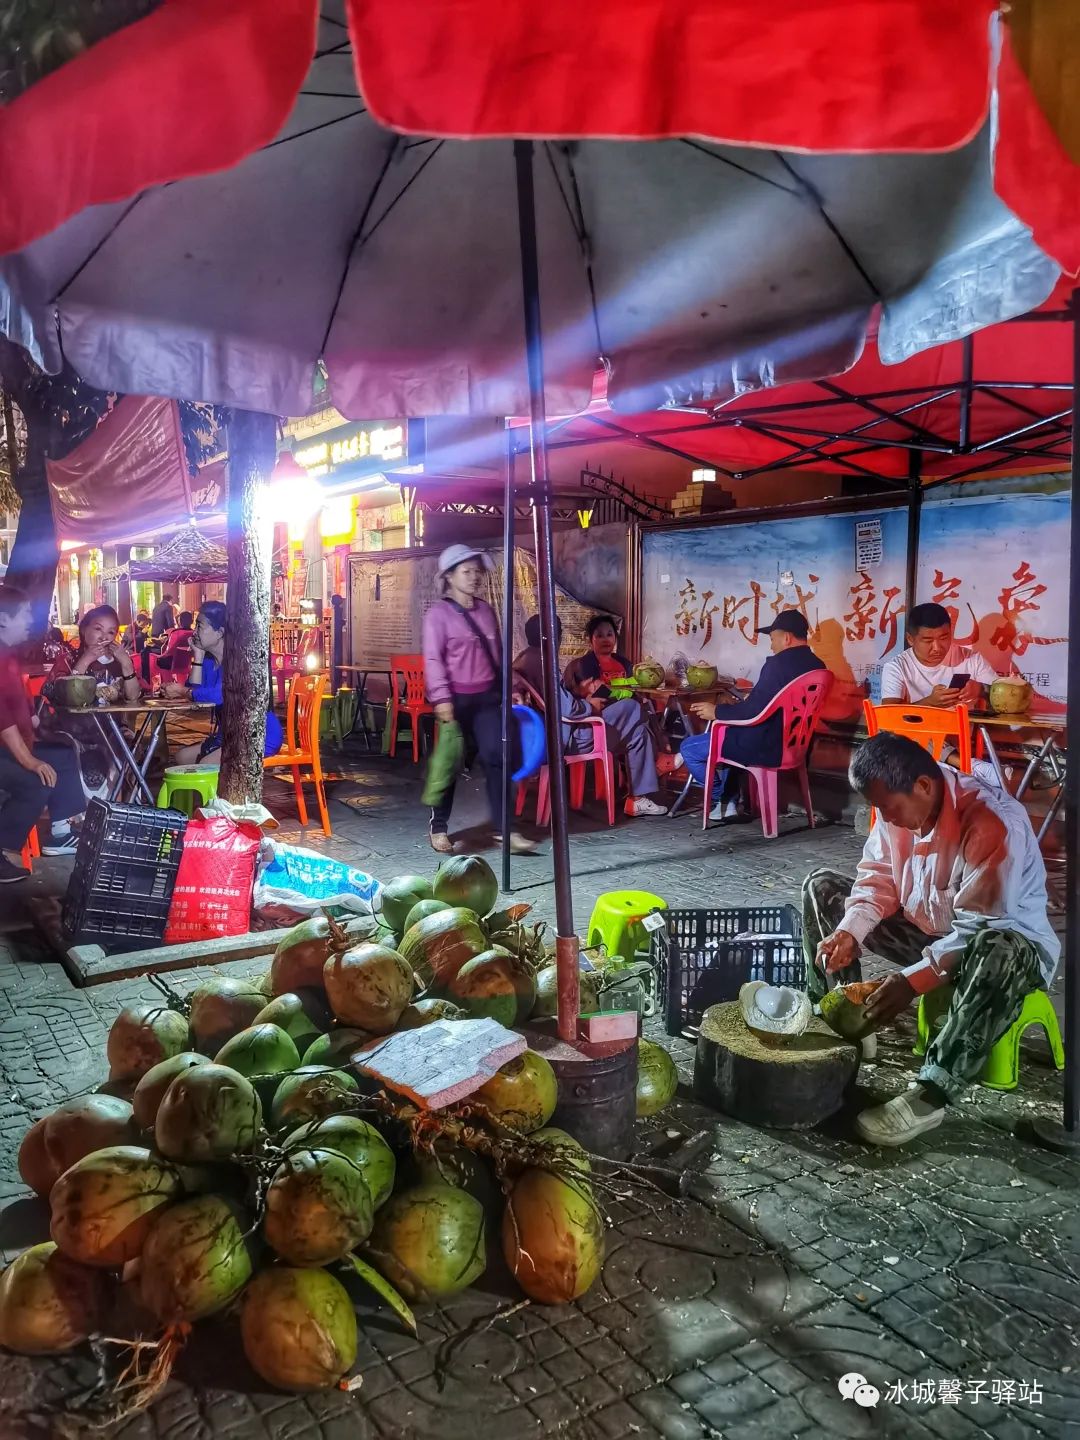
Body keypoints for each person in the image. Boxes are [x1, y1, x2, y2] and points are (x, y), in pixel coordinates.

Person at [803, 732, 1058, 1148]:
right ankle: (848, 1017)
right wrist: (850, 931)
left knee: (999, 947)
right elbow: (878, 877)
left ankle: (932, 1094)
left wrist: (911, 982)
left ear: (923, 786)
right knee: (823, 888)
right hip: (927, 932)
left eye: (888, 808)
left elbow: (978, 929)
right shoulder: (897, 810)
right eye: (877, 810)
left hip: (996, 952)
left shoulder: (992, 821)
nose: (884, 819)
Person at [422, 545, 533, 855]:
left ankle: (505, 828)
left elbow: (497, 655)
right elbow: (433, 659)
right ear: (449, 576)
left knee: (499, 756)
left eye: (477, 571)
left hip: (486, 698)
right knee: (450, 762)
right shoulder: (438, 615)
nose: (474, 577)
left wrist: (509, 686)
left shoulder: (485, 610)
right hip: (455, 700)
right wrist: (442, 698)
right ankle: (439, 826)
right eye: (466, 571)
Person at [677, 611, 828, 821]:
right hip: (797, 747)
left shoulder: (778, 664)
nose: (771, 646)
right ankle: (728, 801)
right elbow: (772, 703)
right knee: (731, 730)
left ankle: (721, 799)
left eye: (773, 639)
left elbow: (754, 712)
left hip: (763, 746)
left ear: (786, 638)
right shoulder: (818, 666)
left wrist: (716, 712)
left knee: (689, 749)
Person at [515, 615, 666, 818]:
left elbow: (557, 700)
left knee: (638, 732)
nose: (558, 637)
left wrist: (579, 691)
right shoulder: (545, 662)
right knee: (632, 708)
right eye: (557, 632)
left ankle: (638, 799)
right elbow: (566, 708)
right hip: (567, 737)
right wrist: (589, 705)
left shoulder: (525, 658)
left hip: (548, 734)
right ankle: (652, 774)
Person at [0, 586, 86, 879]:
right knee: (36, 780)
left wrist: (32, 722)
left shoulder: (8, 656)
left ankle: (60, 832)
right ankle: (3, 849)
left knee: (62, 753)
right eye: (23, 614)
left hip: (11, 745)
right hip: (4, 749)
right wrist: (29, 761)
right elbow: (2, 719)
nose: (28, 621)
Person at [164, 602, 283, 765]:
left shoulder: (239, 661)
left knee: (205, 764)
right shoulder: (209, 661)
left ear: (220, 632)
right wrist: (198, 657)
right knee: (181, 758)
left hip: (256, 734)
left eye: (200, 626)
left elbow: (220, 694)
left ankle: (215, 791)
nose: (194, 632)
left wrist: (182, 691)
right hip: (227, 735)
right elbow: (196, 692)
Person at [46, 606, 142, 800]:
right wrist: (85, 660)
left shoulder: (118, 662)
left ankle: (118, 809)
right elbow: (61, 693)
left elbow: (133, 698)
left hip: (111, 730)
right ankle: (73, 815)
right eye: (98, 629)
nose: (103, 637)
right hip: (73, 731)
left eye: (110, 632)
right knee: (67, 749)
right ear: (84, 630)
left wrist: (126, 664)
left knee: (127, 746)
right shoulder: (68, 658)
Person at [880, 602, 999, 709]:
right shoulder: (896, 667)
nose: (937, 648)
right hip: (916, 732)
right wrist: (929, 703)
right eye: (928, 640)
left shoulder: (972, 659)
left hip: (963, 731)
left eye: (943, 638)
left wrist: (981, 689)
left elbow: (1002, 696)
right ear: (910, 639)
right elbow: (889, 712)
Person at [562, 615, 633, 692]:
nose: (605, 639)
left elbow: (634, 689)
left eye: (609, 635)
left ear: (615, 638)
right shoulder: (581, 665)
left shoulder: (625, 664)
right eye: (599, 636)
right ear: (590, 640)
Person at [144, 609, 194, 682]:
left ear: (179, 621)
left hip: (171, 662)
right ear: (192, 621)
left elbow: (169, 649)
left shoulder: (175, 633)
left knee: (146, 652)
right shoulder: (194, 633)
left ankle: (147, 680)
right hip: (186, 661)